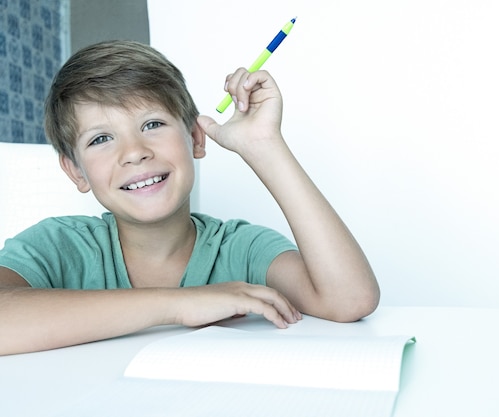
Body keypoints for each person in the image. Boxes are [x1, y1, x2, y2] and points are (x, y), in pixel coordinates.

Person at [0, 41, 379, 355]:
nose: (134, 152)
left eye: (153, 124)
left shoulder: (240, 248)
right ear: (76, 171)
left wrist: (265, 147)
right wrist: (180, 303)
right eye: (101, 139)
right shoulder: (57, 245)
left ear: (196, 139)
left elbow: (350, 300)